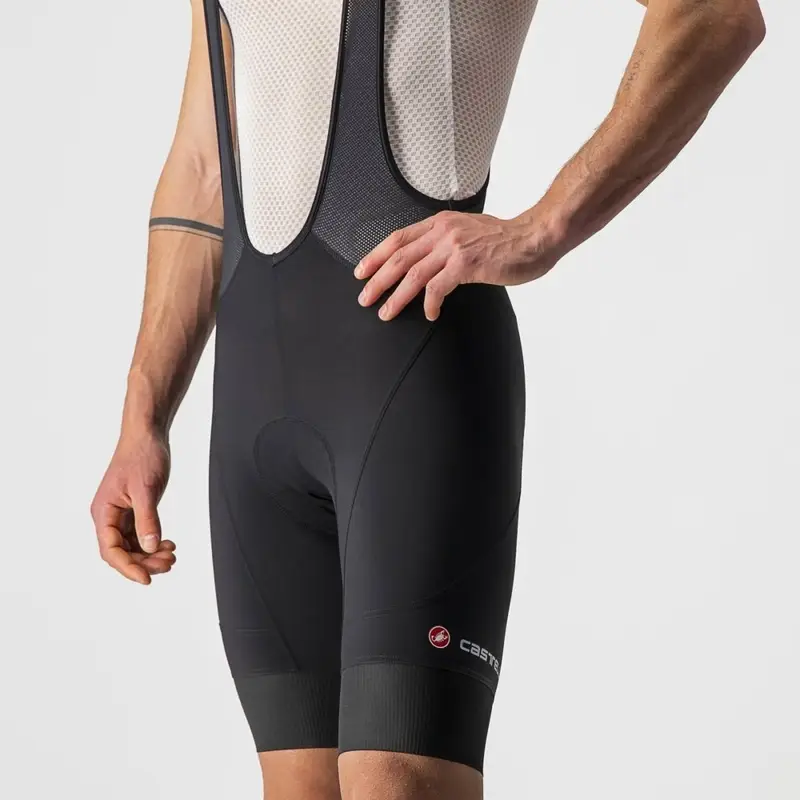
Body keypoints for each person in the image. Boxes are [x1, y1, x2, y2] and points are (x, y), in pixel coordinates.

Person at [90, 1, 765, 797]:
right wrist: (142, 416)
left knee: (399, 776)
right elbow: (203, 165)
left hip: (411, 388)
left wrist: (542, 229)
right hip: (252, 411)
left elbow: (715, 14)